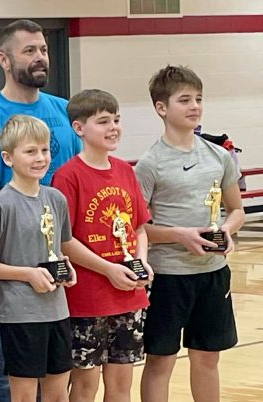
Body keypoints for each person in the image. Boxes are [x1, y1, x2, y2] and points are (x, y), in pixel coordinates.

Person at [0, 19, 82, 402]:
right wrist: (25, 260)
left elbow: (74, 185)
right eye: (29, 51)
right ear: (4, 58)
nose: (40, 58)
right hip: (16, 293)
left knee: (59, 379)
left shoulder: (64, 109)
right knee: (8, 379)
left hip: (60, 277)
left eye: (44, 49)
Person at [135, 65, 243, 402]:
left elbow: (236, 210)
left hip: (212, 275)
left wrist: (226, 230)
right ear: (161, 108)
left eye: (198, 99)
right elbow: (139, 228)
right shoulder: (150, 164)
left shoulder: (219, 156)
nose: (194, 106)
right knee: (161, 360)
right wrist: (180, 235)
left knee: (208, 357)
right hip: (168, 277)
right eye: (184, 100)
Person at [51, 89, 154, 402]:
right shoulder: (68, 176)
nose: (114, 127)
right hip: (87, 299)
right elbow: (65, 241)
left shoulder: (125, 170)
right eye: (103, 121)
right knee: (85, 386)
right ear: (79, 128)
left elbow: (139, 226)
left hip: (128, 296)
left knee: (122, 385)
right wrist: (108, 269)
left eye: (117, 120)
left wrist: (141, 262)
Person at [0, 115, 77, 402]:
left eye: (44, 150)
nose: (40, 157)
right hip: (19, 314)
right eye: (30, 151)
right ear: (8, 158)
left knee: (58, 394)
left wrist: (66, 267)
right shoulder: (1, 204)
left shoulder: (56, 199)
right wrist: (27, 274)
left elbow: (58, 248)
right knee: (24, 396)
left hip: (57, 310)